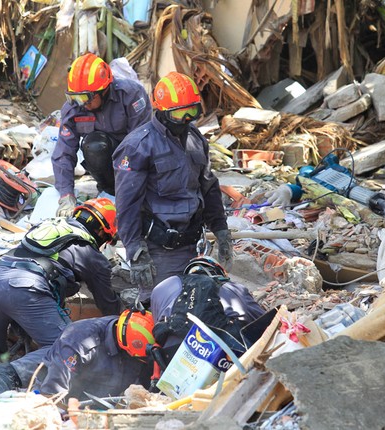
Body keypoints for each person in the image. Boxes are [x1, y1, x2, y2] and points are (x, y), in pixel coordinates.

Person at [112, 72, 233, 299]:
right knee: (161, 311)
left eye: (192, 111)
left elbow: (208, 186)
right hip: (160, 249)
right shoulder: (139, 145)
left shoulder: (195, 138)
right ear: (162, 111)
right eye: (179, 113)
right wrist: (136, 252)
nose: (187, 118)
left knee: (200, 304)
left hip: (193, 242)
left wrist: (221, 230)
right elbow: (127, 205)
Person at [0, 197, 121, 363]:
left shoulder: (51, 226)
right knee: (67, 349)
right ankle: (5, 378)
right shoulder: (90, 253)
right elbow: (108, 305)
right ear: (102, 232)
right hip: (23, 289)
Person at [52, 52, 152, 217]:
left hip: (134, 159)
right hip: (105, 159)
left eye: (86, 97)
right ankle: (108, 190)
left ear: (104, 90)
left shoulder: (131, 95)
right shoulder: (74, 107)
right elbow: (64, 152)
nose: (82, 103)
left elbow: (141, 145)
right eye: (76, 97)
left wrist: (128, 194)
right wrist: (66, 195)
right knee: (95, 145)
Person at [0, 309, 155, 401]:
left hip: (102, 397)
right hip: (65, 395)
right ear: (125, 347)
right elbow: (53, 391)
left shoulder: (132, 333)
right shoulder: (78, 342)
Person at [150, 256, 266, 353]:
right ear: (218, 272)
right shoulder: (231, 288)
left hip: (171, 355)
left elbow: (158, 320)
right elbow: (262, 320)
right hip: (218, 356)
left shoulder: (162, 287)